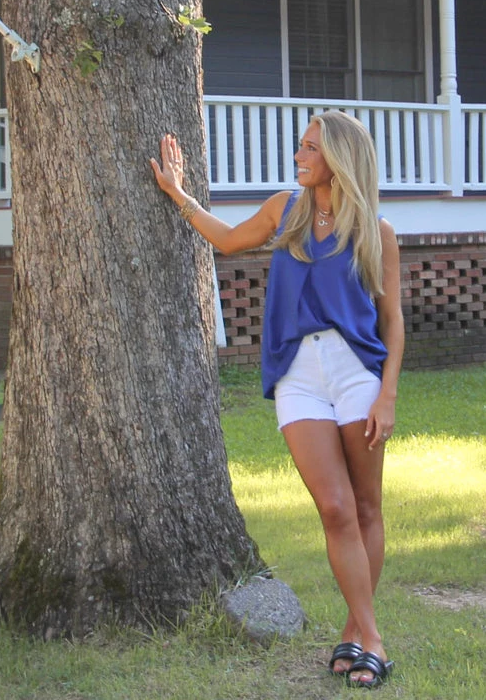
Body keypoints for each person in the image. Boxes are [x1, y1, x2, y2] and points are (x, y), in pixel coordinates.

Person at [151, 110, 403, 689]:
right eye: (301, 146)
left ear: (339, 157)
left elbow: (392, 321)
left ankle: (358, 634)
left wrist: (387, 394)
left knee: (366, 507)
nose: (299, 156)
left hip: (357, 373)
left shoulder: (376, 231)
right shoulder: (286, 209)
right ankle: (372, 638)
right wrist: (179, 194)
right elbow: (228, 240)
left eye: (311, 148)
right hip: (298, 375)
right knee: (334, 507)